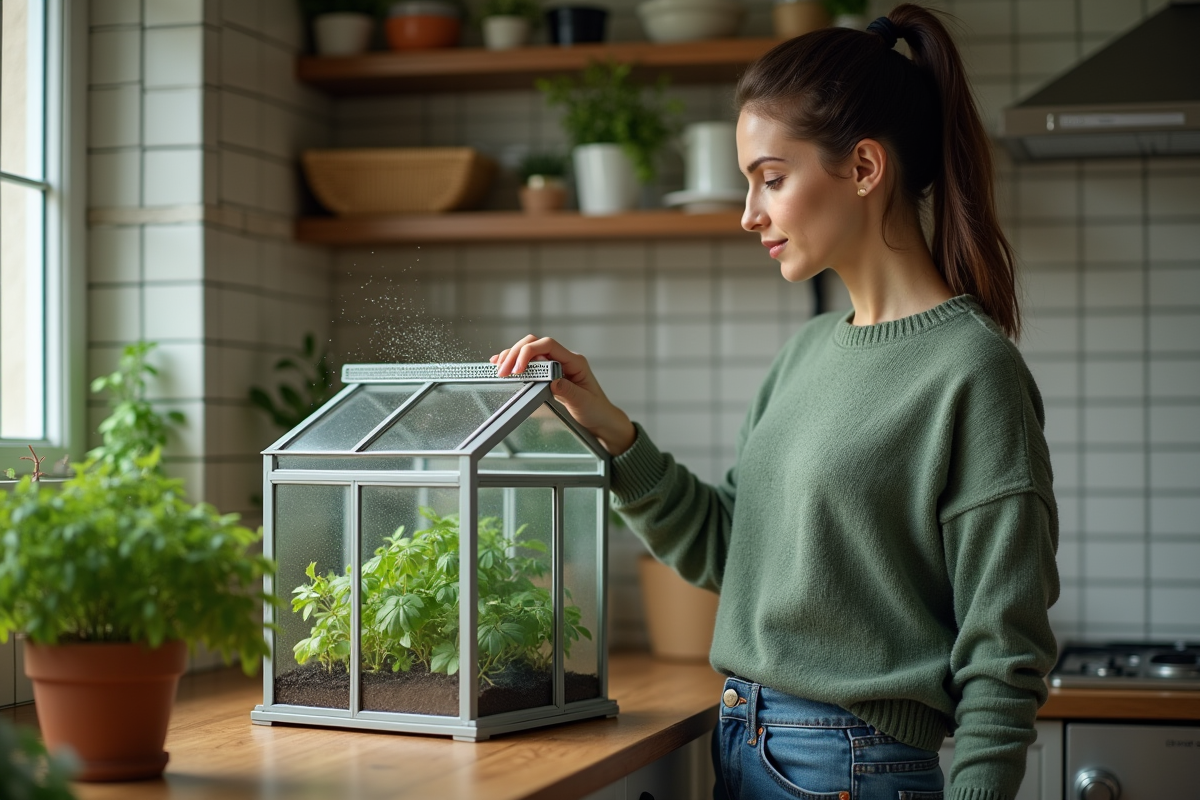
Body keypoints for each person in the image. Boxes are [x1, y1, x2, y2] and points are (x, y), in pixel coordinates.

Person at [491, 5, 1059, 798]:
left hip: (852, 768)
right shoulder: (805, 353)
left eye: (772, 179)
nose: (749, 214)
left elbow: (1005, 653)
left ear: (864, 169)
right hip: (746, 745)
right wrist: (612, 432)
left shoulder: (973, 371)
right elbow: (733, 550)